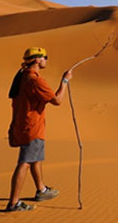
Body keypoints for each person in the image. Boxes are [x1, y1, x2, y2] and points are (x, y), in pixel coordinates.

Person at [5, 47, 73, 212]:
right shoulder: (35, 80)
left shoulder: (22, 76)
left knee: (36, 159)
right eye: (45, 57)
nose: (46, 60)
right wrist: (65, 81)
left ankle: (41, 190)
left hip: (26, 125)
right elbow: (57, 100)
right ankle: (13, 203)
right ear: (37, 60)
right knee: (25, 162)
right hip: (31, 128)